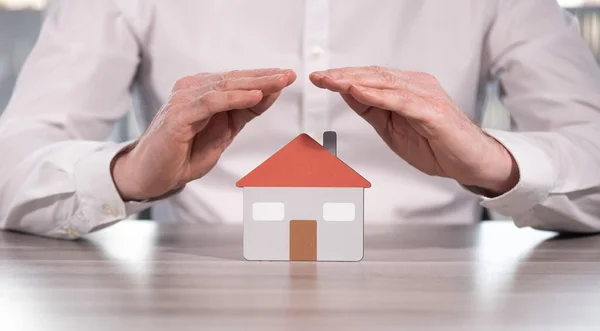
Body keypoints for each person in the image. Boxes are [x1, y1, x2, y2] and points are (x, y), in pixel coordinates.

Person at [0, 0, 599, 239]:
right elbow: (12, 166)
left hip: (448, 302)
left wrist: (495, 163)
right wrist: (129, 173)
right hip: (192, 299)